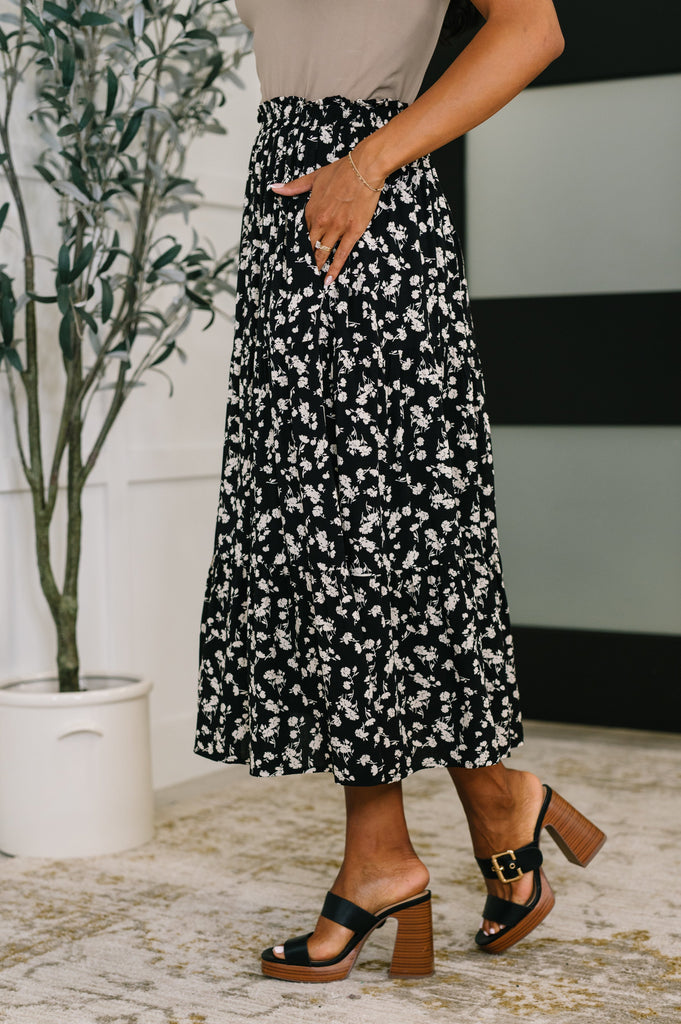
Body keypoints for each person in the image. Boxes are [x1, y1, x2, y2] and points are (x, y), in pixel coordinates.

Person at [195, 0, 606, 982]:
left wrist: (368, 161)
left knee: (378, 530)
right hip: (288, 211)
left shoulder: (368, 162)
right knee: (328, 534)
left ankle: (408, 849)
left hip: (369, 214)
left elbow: (531, 29)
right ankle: (475, 815)